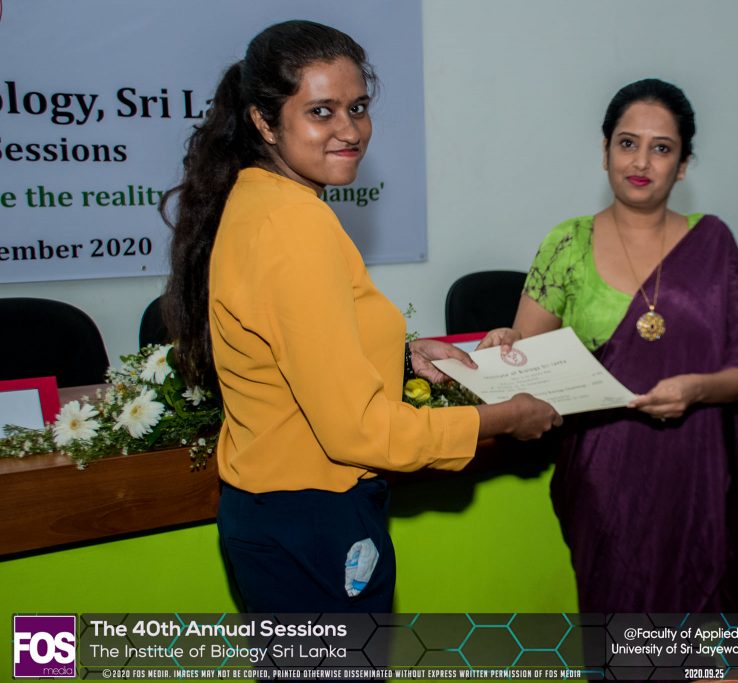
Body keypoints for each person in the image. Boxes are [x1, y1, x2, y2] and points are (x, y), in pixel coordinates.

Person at [160, 20, 561, 613]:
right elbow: (360, 430)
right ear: (265, 122)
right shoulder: (296, 226)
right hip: (314, 523)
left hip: (274, 514)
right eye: (320, 112)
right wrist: (503, 419)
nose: (349, 131)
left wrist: (403, 355)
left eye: (358, 107)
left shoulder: (258, 198)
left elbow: (289, 348)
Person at [479, 78, 738, 612]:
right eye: (627, 143)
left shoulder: (712, 243)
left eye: (661, 148)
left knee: (703, 620)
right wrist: (508, 342)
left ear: (684, 164)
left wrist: (698, 389)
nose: (641, 161)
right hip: (603, 477)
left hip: (698, 474)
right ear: (605, 152)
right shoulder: (567, 244)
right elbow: (527, 357)